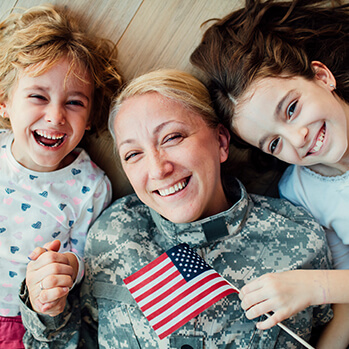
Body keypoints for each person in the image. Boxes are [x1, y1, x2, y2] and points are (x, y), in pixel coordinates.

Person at [19, 69, 332, 348]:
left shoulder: (298, 239)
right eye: (133, 155)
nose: (157, 169)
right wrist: (48, 310)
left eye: (172, 137)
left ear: (221, 142)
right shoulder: (115, 233)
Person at [190, 0, 349, 347]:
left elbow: (336, 286)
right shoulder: (301, 192)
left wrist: (314, 287)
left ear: (322, 77)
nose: (298, 138)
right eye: (274, 143)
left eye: (292, 108)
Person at [0, 4, 121, 347]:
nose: (55, 116)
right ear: (4, 102)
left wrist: (67, 267)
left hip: (20, 318)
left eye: (74, 103)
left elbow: (84, 259)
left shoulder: (90, 186)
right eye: (38, 96)